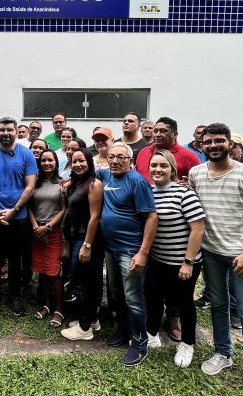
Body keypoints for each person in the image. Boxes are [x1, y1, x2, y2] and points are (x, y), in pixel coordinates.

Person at [189, 123, 243, 396]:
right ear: (201, 144)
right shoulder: (195, 173)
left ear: (229, 144)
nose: (213, 146)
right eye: (208, 142)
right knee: (218, 306)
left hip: (241, 254)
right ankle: (223, 353)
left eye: (219, 141)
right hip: (210, 252)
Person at [94, 142, 158, 366]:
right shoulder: (106, 175)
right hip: (110, 248)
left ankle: (139, 344)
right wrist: (67, 181)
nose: (115, 160)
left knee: (133, 298)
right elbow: (81, 170)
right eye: (111, 156)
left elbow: (151, 217)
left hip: (131, 249)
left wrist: (142, 253)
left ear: (130, 161)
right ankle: (122, 329)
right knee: (115, 293)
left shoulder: (137, 181)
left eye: (121, 157)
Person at [144, 150, 206, 368]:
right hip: (156, 259)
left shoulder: (184, 194)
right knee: (152, 298)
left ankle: (187, 343)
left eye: (163, 165)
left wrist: (188, 262)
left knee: (183, 302)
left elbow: (198, 229)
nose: (158, 169)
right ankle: (151, 333)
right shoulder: (148, 192)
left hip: (182, 262)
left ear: (173, 169)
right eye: (154, 165)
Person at [0, 117, 38, 320]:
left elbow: (30, 186)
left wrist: (14, 210)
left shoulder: (27, 154)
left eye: (9, 129)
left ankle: (15, 296)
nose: (6, 133)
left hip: (18, 216)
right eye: (2, 129)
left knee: (15, 258)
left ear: (16, 131)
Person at [59, 148, 105, 341]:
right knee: (90, 281)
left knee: (81, 282)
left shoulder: (94, 184)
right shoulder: (78, 183)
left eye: (82, 161)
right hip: (76, 236)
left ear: (90, 162)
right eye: (75, 161)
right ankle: (93, 320)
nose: (78, 164)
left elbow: (95, 217)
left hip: (86, 239)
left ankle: (84, 327)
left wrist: (87, 245)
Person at [28, 149, 66, 327]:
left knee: (54, 272)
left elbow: (64, 209)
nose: (46, 163)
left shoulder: (61, 183)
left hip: (54, 232)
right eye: (43, 160)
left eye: (50, 160)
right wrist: (36, 227)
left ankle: (59, 308)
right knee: (42, 271)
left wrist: (48, 227)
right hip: (36, 231)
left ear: (56, 162)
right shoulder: (34, 183)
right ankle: (47, 304)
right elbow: (29, 207)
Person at [135, 117, 200, 185]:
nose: (157, 134)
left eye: (163, 131)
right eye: (155, 131)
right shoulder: (143, 153)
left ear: (174, 134)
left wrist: (189, 185)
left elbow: (198, 185)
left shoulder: (189, 156)